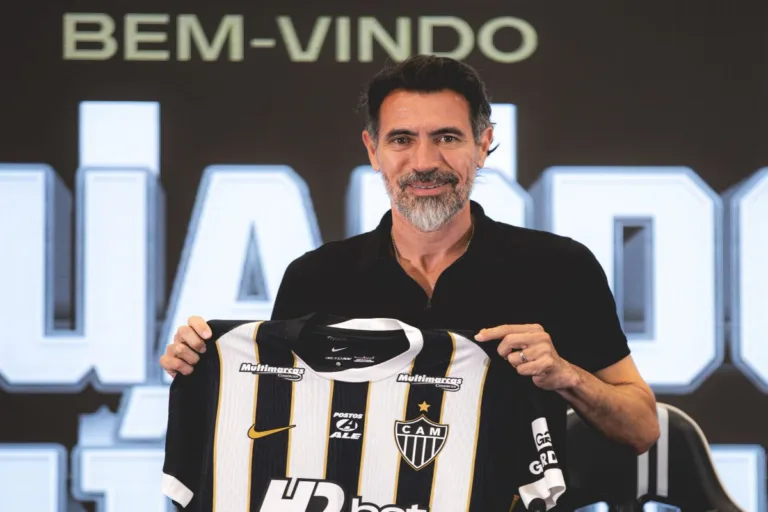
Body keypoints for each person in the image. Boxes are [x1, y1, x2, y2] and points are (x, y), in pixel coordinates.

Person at [160, 54, 660, 502]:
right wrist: (201, 363)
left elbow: (642, 428)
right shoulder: (316, 276)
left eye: (447, 138)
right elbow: (278, 422)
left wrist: (567, 376)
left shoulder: (560, 268)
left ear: (483, 144)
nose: (424, 163)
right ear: (373, 150)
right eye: (402, 140)